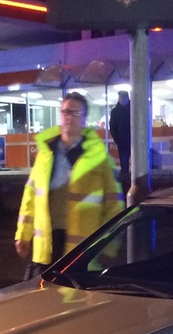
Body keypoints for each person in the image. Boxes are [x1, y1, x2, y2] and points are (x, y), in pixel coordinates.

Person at [15, 92, 123, 280]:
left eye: (75, 113)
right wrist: (23, 235)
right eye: (65, 112)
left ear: (84, 120)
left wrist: (109, 246)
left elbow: (114, 204)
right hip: (46, 248)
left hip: (81, 251)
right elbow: (30, 196)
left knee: (76, 303)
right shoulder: (45, 154)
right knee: (43, 303)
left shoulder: (100, 159)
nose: (68, 117)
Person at [108, 89, 131, 180]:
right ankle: (126, 183)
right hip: (123, 142)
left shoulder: (133, 109)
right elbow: (112, 127)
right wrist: (117, 140)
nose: (121, 99)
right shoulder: (115, 111)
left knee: (135, 166)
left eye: (122, 97)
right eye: (120, 97)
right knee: (124, 166)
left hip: (132, 141)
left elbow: (113, 127)